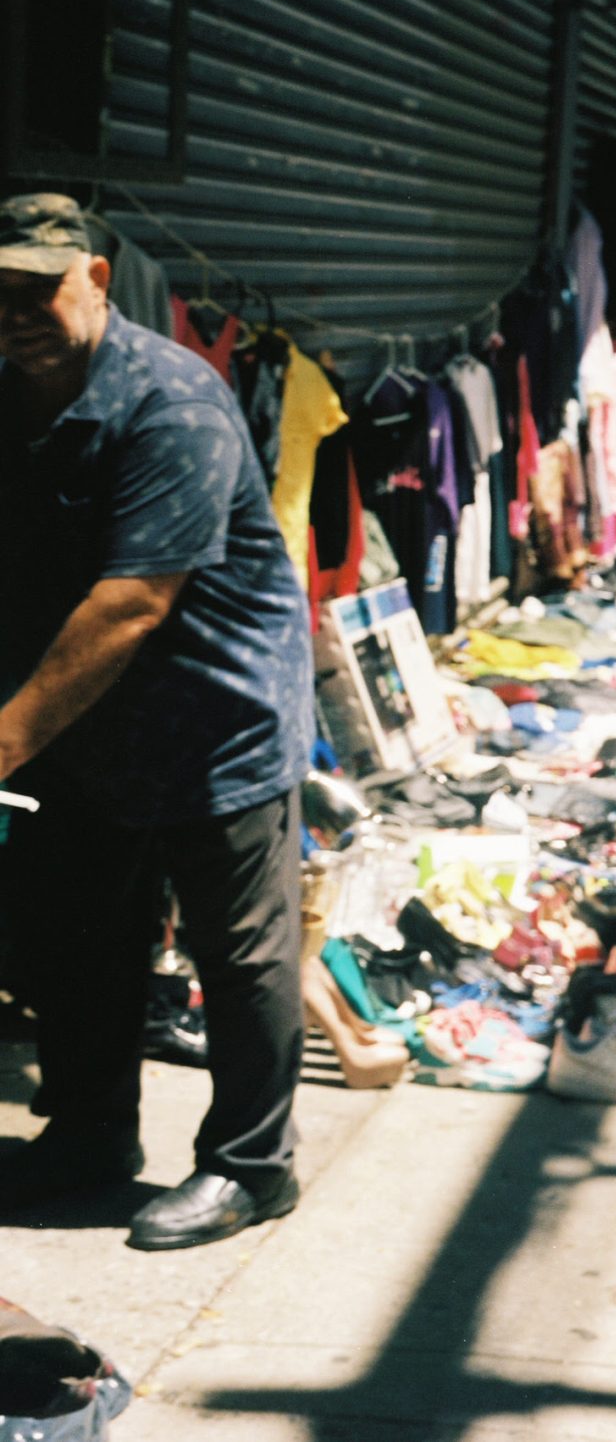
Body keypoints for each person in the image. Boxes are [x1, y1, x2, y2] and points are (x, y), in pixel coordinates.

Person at [0, 194, 315, 1250]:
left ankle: (250, 1166)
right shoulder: (10, 395)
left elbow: (132, 599)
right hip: (82, 726)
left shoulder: (171, 399)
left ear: (93, 276)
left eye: (38, 287)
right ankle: (90, 1134)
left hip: (214, 716)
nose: (16, 311)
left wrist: (2, 736)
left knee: (241, 953)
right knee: (82, 936)